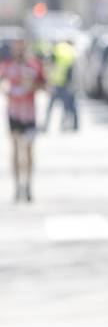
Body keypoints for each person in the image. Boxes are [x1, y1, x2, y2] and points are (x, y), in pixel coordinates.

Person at [1, 38, 45, 203]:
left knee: (28, 150)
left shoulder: (34, 65)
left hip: (29, 114)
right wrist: (6, 89)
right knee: (14, 149)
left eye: (21, 46)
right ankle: (17, 186)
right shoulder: (7, 65)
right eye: (16, 47)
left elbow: (44, 85)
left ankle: (28, 186)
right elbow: (2, 83)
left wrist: (32, 86)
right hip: (13, 113)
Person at [42, 40, 79, 132]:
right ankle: (68, 125)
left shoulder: (56, 49)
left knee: (51, 107)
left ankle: (46, 125)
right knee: (68, 106)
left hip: (55, 83)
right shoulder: (71, 50)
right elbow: (74, 68)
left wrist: (48, 82)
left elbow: (48, 66)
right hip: (66, 83)